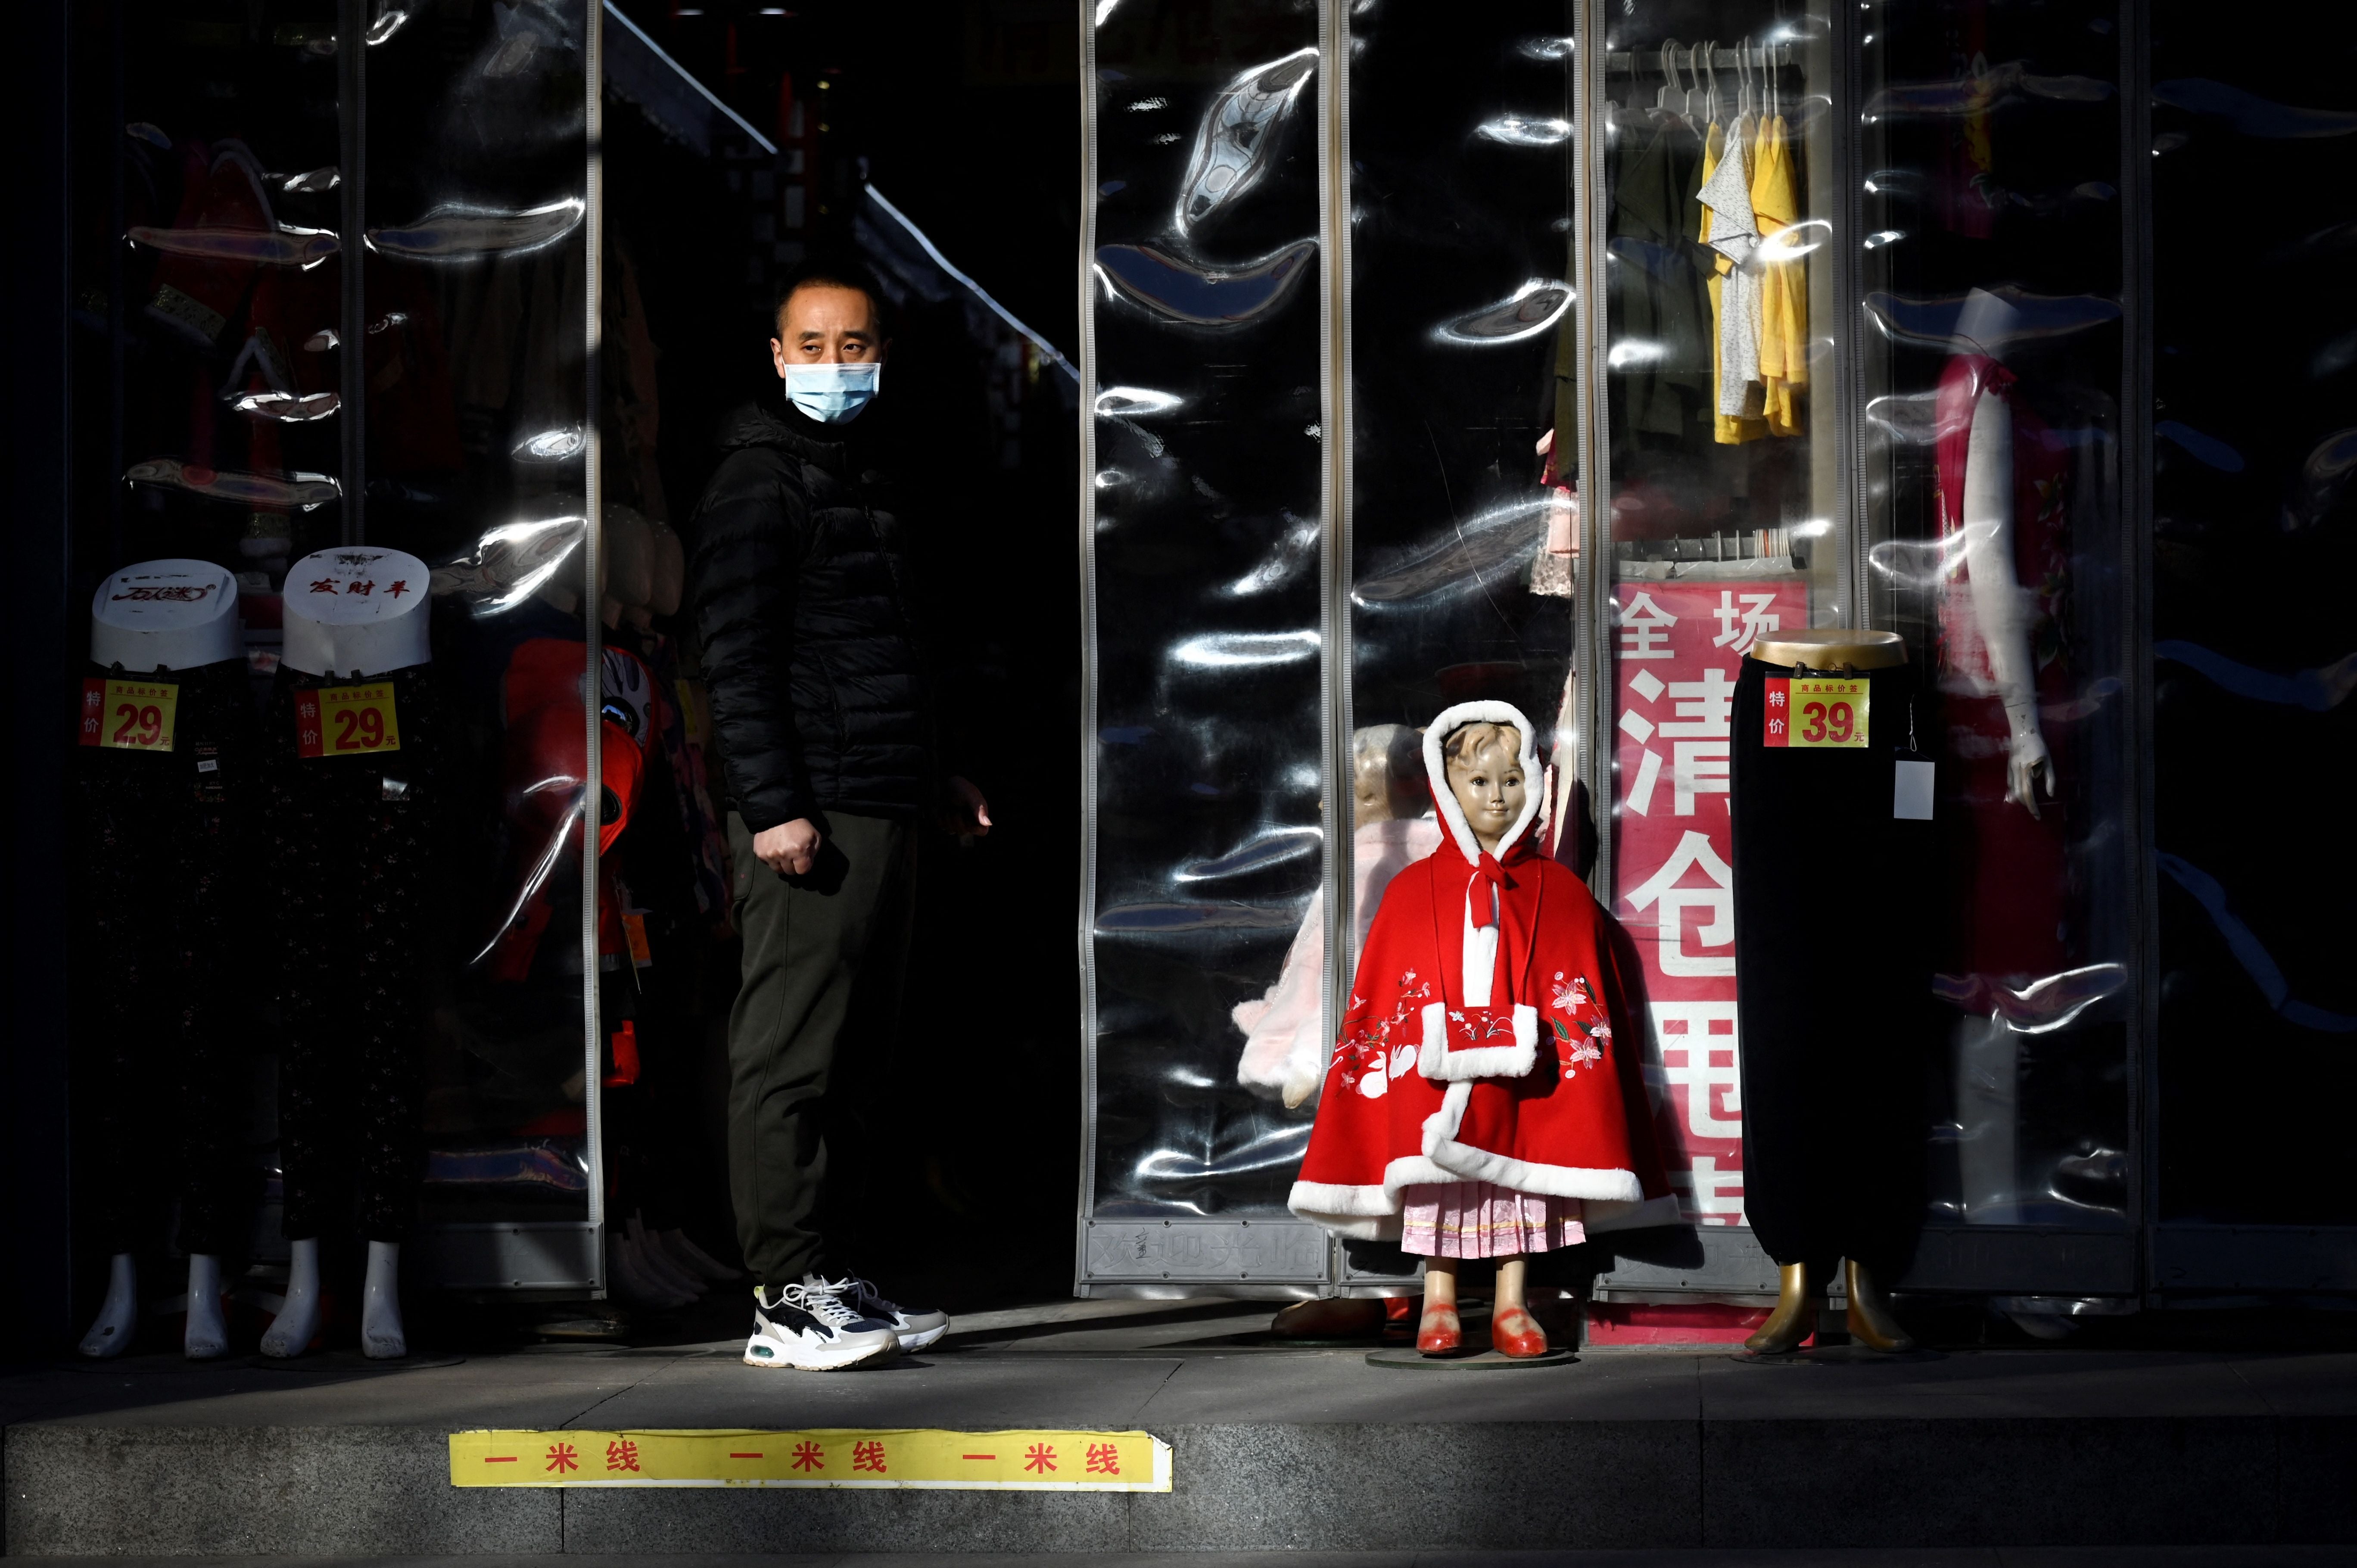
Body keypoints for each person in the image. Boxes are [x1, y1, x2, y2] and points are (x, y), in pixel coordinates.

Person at [688, 261, 991, 1371]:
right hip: (811, 814)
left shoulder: (866, 474)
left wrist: (938, 774)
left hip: (881, 796)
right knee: (790, 1055)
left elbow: (889, 649)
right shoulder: (756, 484)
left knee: (857, 1057)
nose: (833, 365)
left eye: (852, 346)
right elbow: (736, 658)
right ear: (776, 358)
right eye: (811, 347)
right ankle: (783, 1293)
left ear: (881, 356)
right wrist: (774, 808)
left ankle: (834, 1275)